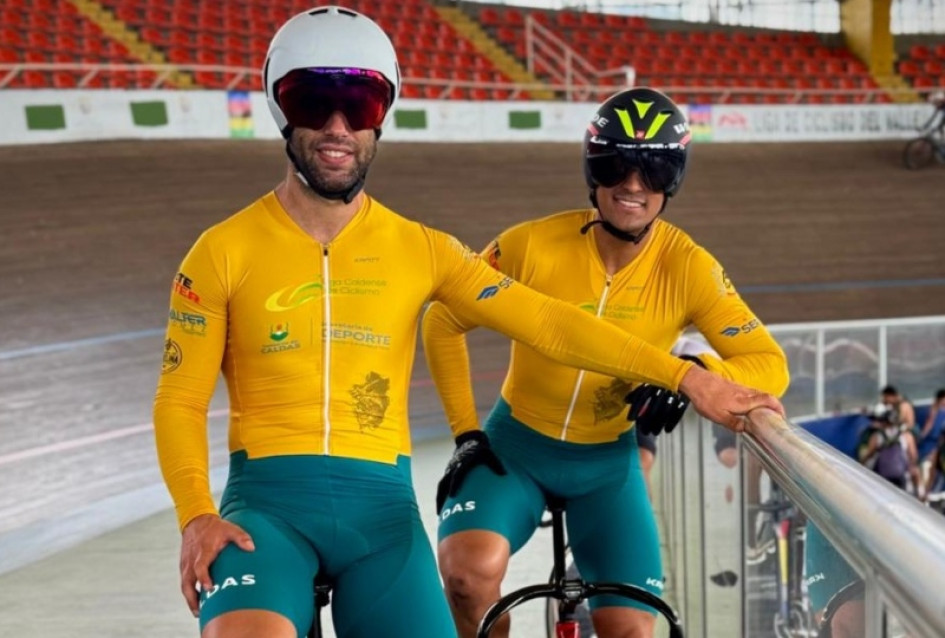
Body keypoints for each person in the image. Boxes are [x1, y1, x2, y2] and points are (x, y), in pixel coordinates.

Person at [151, 10, 785, 638]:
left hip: (383, 522)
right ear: (279, 106)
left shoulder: (423, 248)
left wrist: (688, 376)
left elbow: (551, 324)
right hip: (265, 511)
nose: (338, 126)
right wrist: (194, 516)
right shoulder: (220, 251)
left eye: (361, 103)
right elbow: (180, 399)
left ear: (383, 114)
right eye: (313, 100)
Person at [421, 87, 789, 638]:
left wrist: (700, 376)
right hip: (515, 447)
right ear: (593, 169)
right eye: (616, 164)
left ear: (675, 179)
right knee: (467, 580)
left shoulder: (690, 267)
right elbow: (441, 319)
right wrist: (465, 432)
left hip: (607, 465)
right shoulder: (529, 244)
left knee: (635, 630)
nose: (633, 185)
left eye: (655, 169)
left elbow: (769, 362)